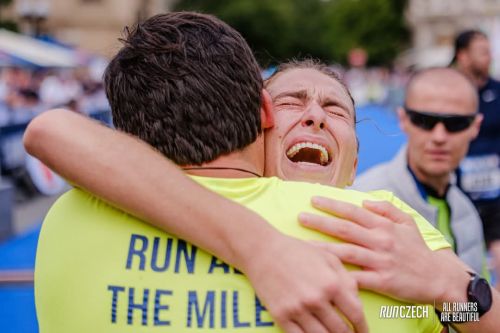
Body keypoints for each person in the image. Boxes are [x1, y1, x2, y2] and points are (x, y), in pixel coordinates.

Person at [28, 12, 452, 333]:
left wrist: (449, 288)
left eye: (336, 109)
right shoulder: (388, 218)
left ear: (355, 161)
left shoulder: (387, 231)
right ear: (263, 122)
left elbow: (51, 129)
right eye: (291, 102)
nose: (315, 117)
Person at [353, 67, 489, 278]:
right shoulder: (363, 200)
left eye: (456, 123)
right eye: (424, 120)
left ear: (476, 126)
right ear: (403, 119)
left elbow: (473, 310)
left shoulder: (468, 214)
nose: (439, 136)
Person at [452, 29, 500, 287]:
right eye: (482, 52)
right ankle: (461, 318)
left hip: (495, 193)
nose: (489, 56)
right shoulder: (448, 93)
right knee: (462, 269)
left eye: (489, 50)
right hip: (457, 193)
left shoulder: (498, 91)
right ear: (463, 56)